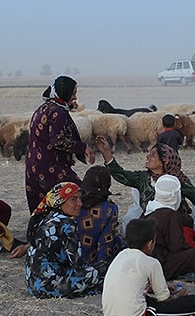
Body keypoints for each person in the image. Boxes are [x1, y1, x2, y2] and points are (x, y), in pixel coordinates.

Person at [95, 135, 195, 229]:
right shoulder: (143, 178)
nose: (147, 156)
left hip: (173, 223)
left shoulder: (175, 180)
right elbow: (121, 175)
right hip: (149, 224)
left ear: (165, 161)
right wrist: (106, 152)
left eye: (153, 154)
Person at [101, 218, 195, 316]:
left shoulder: (121, 255)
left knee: (148, 299)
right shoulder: (151, 263)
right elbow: (165, 300)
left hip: (109, 315)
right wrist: (178, 296)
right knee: (193, 302)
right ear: (150, 244)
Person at [24, 182, 108, 299]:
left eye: (80, 199)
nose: (79, 204)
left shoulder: (45, 217)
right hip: (50, 286)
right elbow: (77, 264)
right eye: (73, 199)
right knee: (104, 268)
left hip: (33, 285)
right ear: (60, 201)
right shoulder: (67, 224)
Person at [25, 75, 95, 213]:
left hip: (33, 166)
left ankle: (39, 232)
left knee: (43, 205)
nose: (75, 97)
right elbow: (57, 141)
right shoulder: (59, 112)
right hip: (50, 167)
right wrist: (83, 147)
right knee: (74, 194)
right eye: (73, 93)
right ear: (65, 92)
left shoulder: (44, 107)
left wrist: (67, 157)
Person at [143, 175, 195, 283]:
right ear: (176, 194)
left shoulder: (149, 210)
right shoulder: (170, 215)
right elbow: (176, 246)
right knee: (193, 256)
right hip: (158, 263)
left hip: (144, 261)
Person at [75, 165, 125, 268]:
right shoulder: (109, 209)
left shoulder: (73, 203)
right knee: (118, 241)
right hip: (91, 259)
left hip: (72, 256)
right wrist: (101, 267)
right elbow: (106, 241)